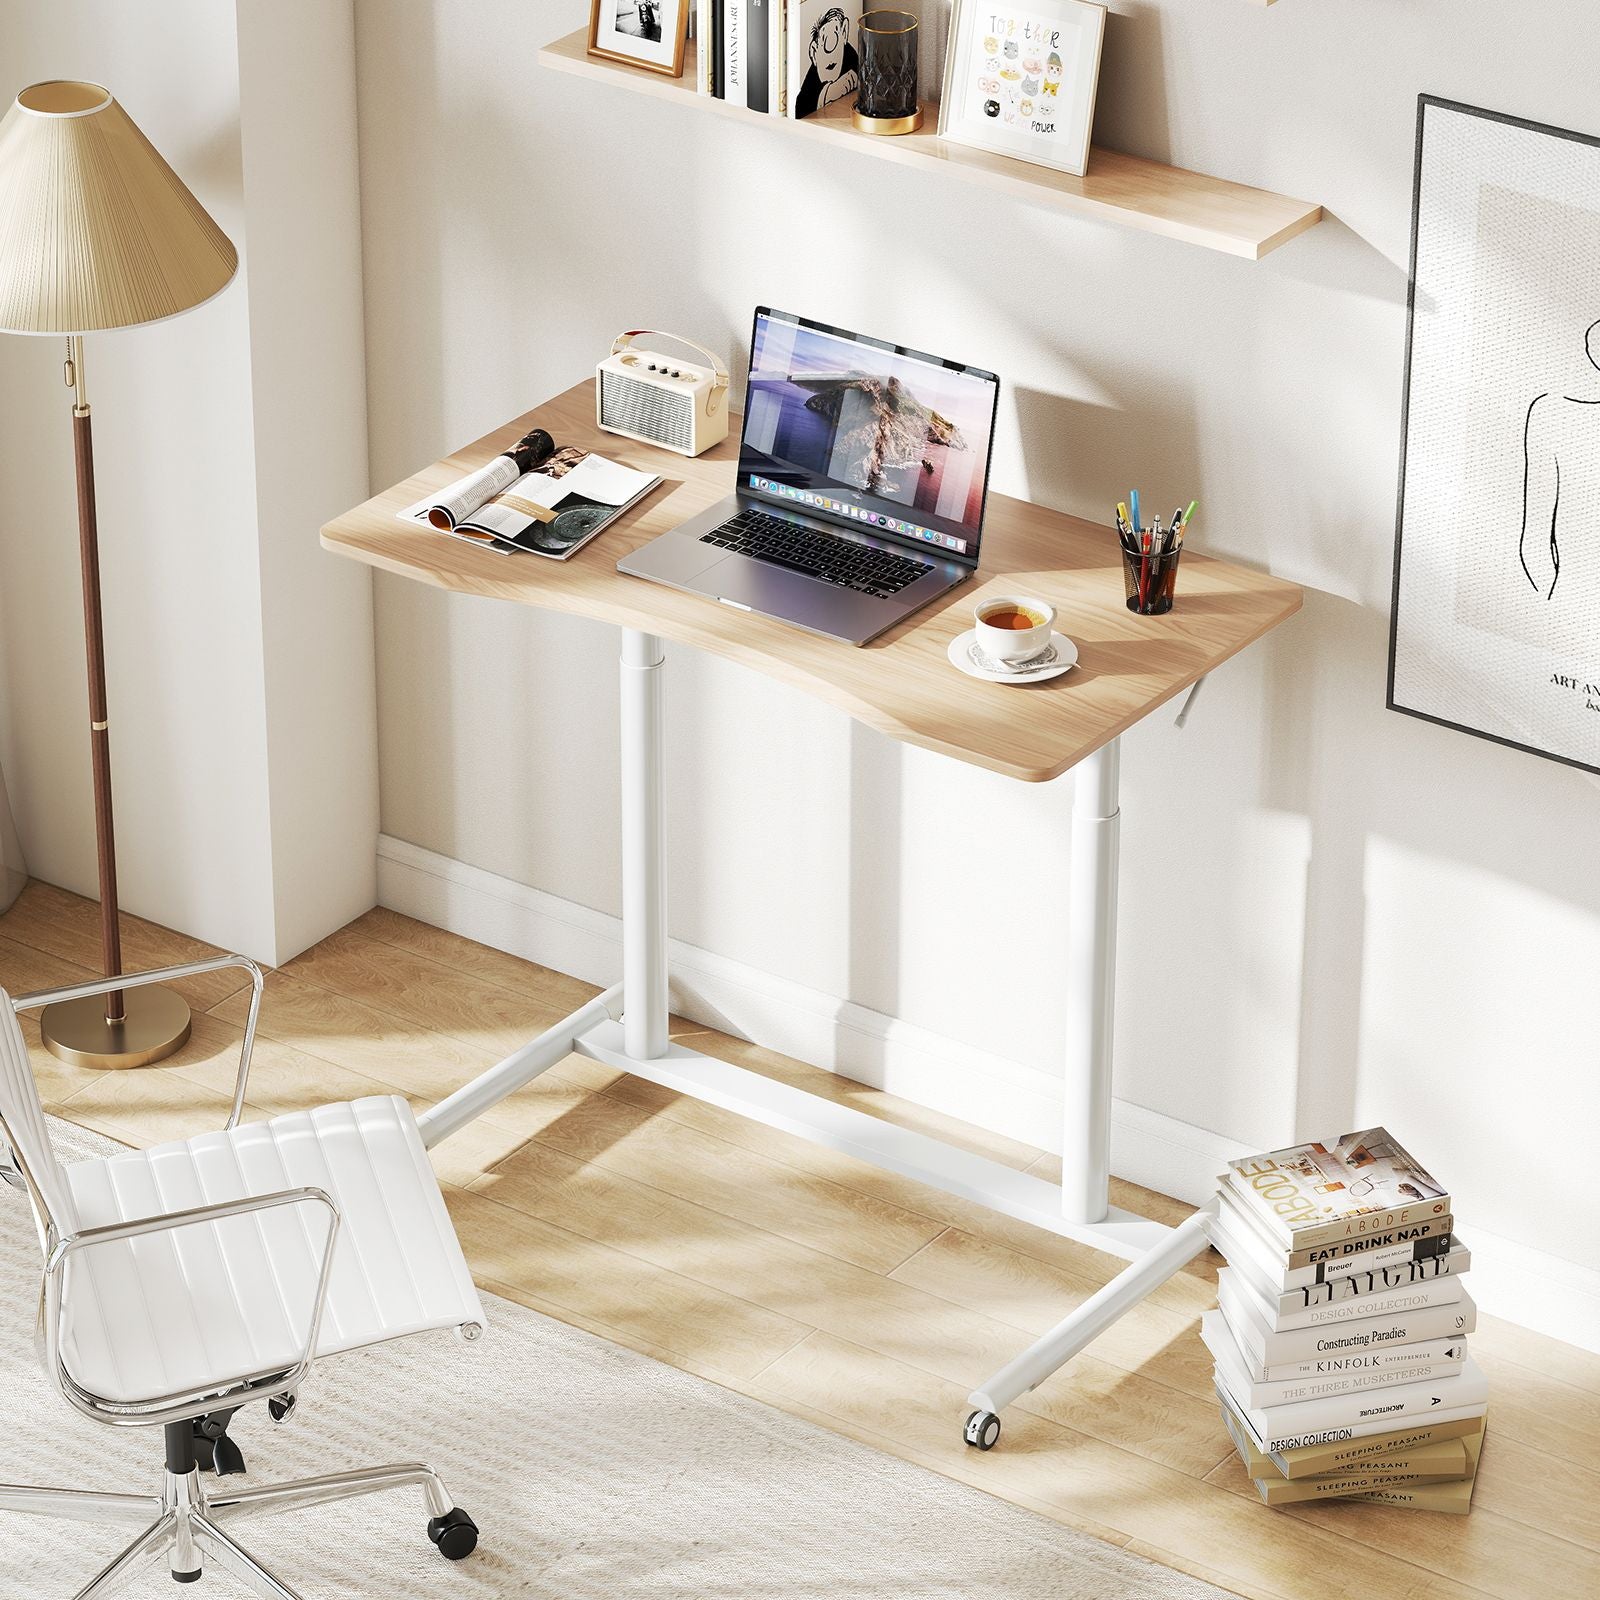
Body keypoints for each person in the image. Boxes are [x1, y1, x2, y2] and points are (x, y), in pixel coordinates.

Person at [1520, 318, 1600, 600]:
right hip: (1571, 607)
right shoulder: (1552, 416)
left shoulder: (1551, 417)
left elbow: (1535, 543)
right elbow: (1534, 542)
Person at [795, 7, 860, 118]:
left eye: (831, 40)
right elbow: (801, 108)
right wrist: (826, 95)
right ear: (814, 51)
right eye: (824, 43)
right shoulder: (807, 87)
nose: (829, 55)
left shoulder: (852, 57)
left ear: (844, 32)